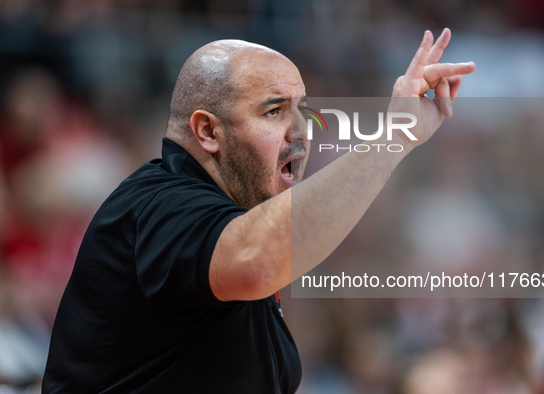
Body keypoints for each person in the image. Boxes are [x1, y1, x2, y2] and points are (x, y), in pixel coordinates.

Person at [42, 29, 475, 393]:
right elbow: (257, 261)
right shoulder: (160, 204)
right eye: (275, 111)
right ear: (208, 131)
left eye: (304, 112)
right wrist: (392, 137)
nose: (303, 131)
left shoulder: (230, 216)